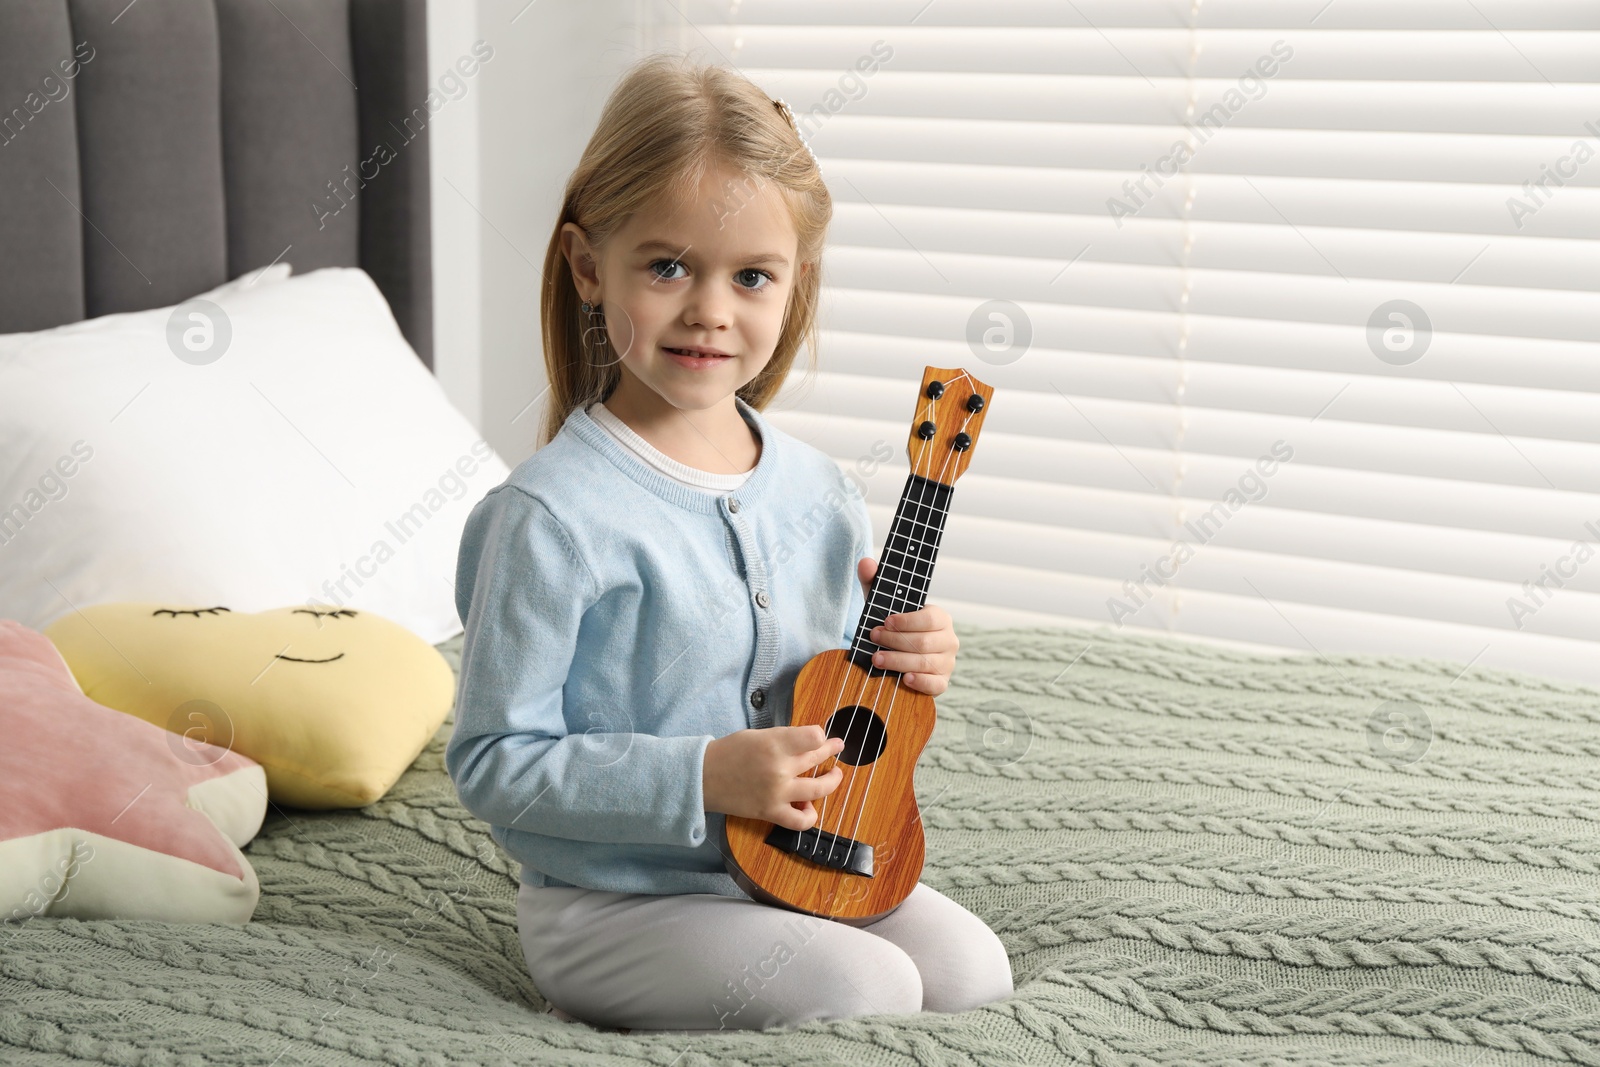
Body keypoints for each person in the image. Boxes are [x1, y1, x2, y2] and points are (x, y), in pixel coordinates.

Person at [446, 52, 1013, 1035]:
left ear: (795, 285)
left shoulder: (821, 491)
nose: (711, 307)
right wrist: (702, 774)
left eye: (752, 275)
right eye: (667, 266)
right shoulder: (550, 518)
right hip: (618, 902)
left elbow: (843, 695)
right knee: (866, 989)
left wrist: (914, 659)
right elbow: (494, 759)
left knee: (971, 968)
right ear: (588, 264)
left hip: (804, 863)